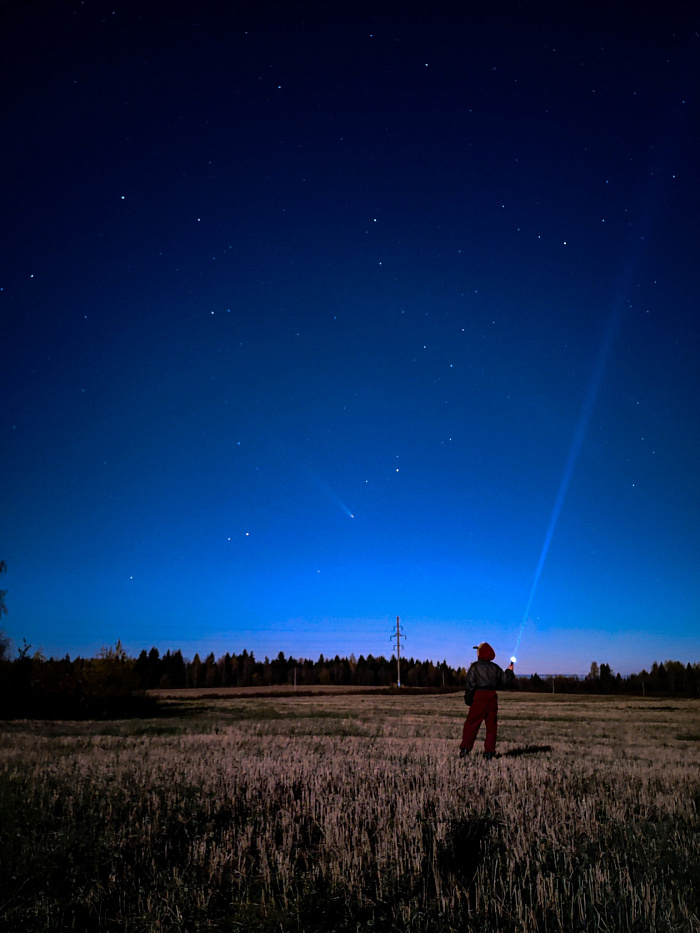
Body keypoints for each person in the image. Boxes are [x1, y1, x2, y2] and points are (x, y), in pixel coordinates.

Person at [459, 642, 514, 760]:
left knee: (471, 725)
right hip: (492, 698)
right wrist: (509, 671)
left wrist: (468, 701)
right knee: (491, 727)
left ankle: (465, 750)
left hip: (479, 698)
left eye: (478, 650)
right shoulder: (495, 668)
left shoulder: (474, 667)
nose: (477, 652)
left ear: (481, 652)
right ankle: (489, 752)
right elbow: (505, 681)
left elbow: (470, 685)